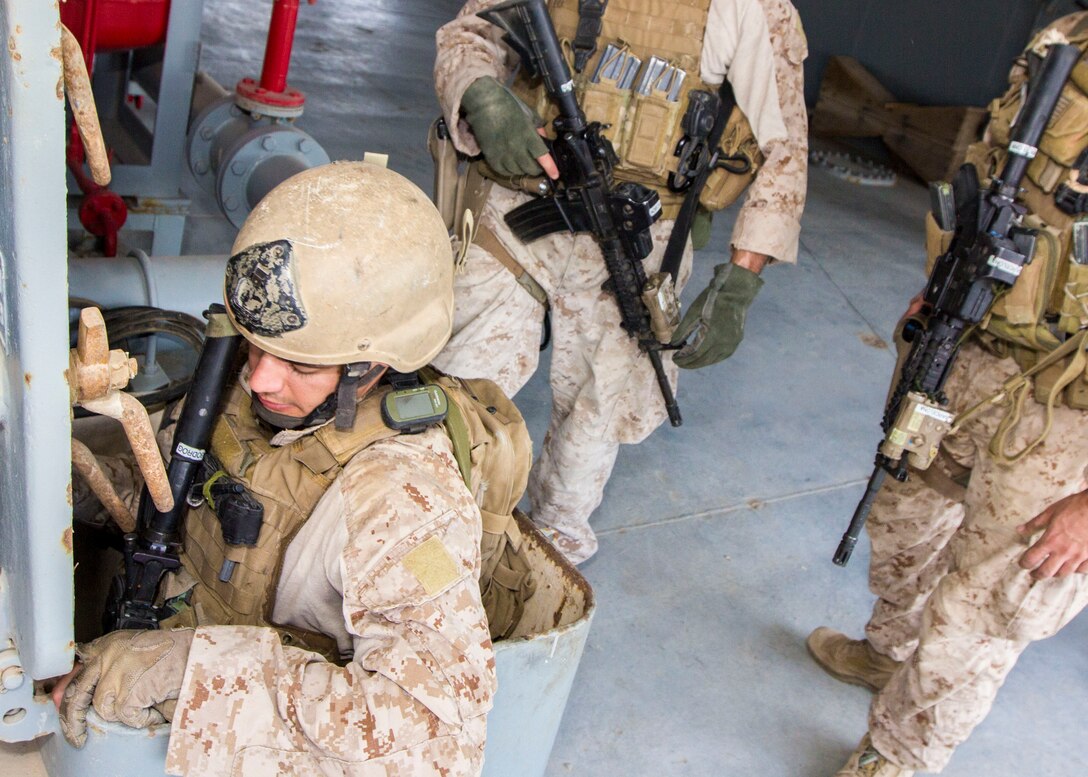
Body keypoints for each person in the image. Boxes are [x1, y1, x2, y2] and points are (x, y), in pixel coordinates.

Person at [55, 162, 503, 776]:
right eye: (255, 345)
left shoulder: (405, 503)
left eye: (298, 364)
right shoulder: (243, 382)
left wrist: (188, 673)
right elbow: (173, 492)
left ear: (370, 366)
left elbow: (432, 737)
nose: (261, 377)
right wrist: (82, 482)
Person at [808, 12, 1088, 776]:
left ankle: (899, 755)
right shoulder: (1065, 38)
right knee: (902, 518)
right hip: (969, 342)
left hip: (1067, 415)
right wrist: (940, 287)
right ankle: (886, 650)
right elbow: (1003, 185)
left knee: (985, 606)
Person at [431, 0, 809, 563]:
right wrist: (480, 93)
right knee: (460, 379)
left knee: (600, 407)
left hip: (639, 234)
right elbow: (470, 34)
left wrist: (740, 281)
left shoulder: (755, 7)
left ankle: (549, 549)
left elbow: (786, 147)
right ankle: (425, 520)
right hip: (521, 204)